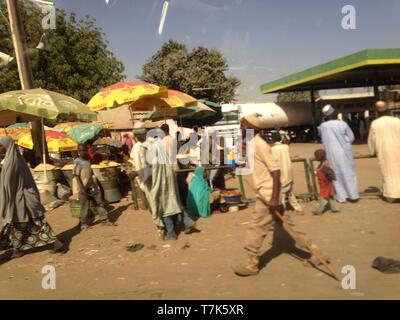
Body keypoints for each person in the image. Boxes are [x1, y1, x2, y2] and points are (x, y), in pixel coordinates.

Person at [232, 113, 282, 277]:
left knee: (255, 228)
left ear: (250, 129)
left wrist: (274, 198)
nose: (240, 129)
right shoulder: (251, 144)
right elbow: (250, 168)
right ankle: (315, 251)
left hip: (268, 196)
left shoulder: (260, 144)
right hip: (264, 193)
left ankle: (252, 264)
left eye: (242, 126)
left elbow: (275, 171)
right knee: (289, 226)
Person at [0, 136, 65, 259]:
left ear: (7, 146)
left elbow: (8, 184)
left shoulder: (12, 161)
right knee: (19, 225)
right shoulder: (14, 158)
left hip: (23, 200)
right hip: (21, 199)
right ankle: (17, 250)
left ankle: (57, 243)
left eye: (0, 146)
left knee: (36, 223)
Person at [137, 126, 200, 240]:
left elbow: (148, 167)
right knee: (173, 200)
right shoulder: (157, 143)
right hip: (169, 174)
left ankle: (171, 232)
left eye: (137, 136)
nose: (136, 139)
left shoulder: (145, 147)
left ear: (141, 136)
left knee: (162, 204)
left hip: (159, 178)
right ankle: (187, 222)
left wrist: (140, 176)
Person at [318, 105, 359, 203]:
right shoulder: (342, 124)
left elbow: (322, 139)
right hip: (344, 153)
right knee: (348, 173)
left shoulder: (322, 126)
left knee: (335, 174)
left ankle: (341, 197)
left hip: (331, 154)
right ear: (334, 113)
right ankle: (353, 196)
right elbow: (351, 138)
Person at [368, 101, 400, 203]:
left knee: (388, 173)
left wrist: (372, 151)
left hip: (384, 152)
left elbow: (371, 139)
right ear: (389, 111)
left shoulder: (375, 123)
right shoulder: (397, 121)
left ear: (377, 112)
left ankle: (392, 195)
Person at [73, 144, 110, 230]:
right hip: (83, 188)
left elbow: (90, 173)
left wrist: (95, 185)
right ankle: (83, 224)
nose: (84, 152)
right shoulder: (78, 161)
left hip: (91, 186)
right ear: (79, 152)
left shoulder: (87, 160)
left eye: (85, 150)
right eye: (82, 151)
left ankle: (105, 219)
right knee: (84, 206)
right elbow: (77, 176)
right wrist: (82, 188)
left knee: (98, 202)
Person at [270, 131, 303, 213]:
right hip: (288, 170)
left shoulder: (272, 149)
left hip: (280, 171)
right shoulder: (285, 147)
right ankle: (298, 208)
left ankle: (283, 210)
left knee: (282, 193)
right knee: (290, 192)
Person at [313, 149, 340, 215]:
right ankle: (335, 208)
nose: (315, 157)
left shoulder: (325, 165)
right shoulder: (322, 164)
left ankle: (319, 210)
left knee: (323, 197)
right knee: (330, 195)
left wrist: (329, 178)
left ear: (321, 156)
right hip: (323, 183)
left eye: (316, 156)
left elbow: (330, 173)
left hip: (326, 184)